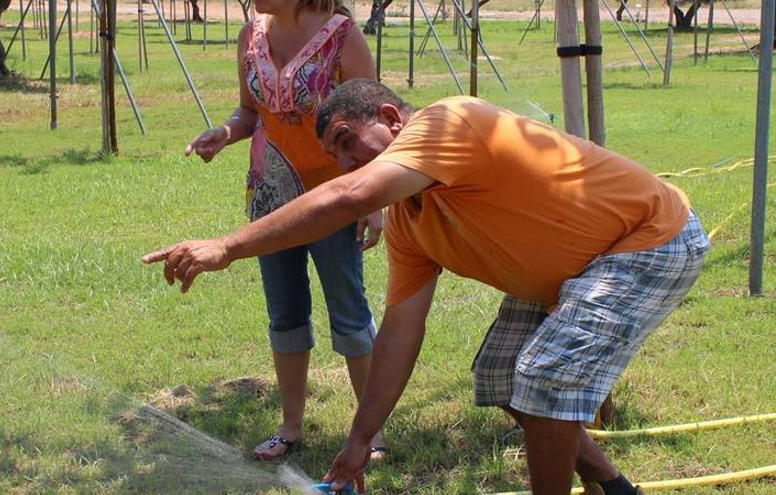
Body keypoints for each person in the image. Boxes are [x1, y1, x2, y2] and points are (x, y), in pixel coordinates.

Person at [146, 79, 710, 494]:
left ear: (391, 117)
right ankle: (612, 486)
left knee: (542, 376)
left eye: (348, 142)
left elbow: (349, 198)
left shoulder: (448, 121)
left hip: (648, 237)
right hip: (577, 268)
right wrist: (360, 439)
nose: (346, 165)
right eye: (337, 156)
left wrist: (227, 246)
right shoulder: (412, 223)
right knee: (500, 377)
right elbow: (399, 332)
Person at [182, 0, 387, 460]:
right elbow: (248, 111)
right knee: (285, 313)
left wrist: (371, 198)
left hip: (334, 199)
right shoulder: (250, 34)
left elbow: (370, 123)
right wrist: (226, 132)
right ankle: (290, 426)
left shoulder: (341, 36)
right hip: (270, 200)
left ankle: (370, 431)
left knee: (349, 310)